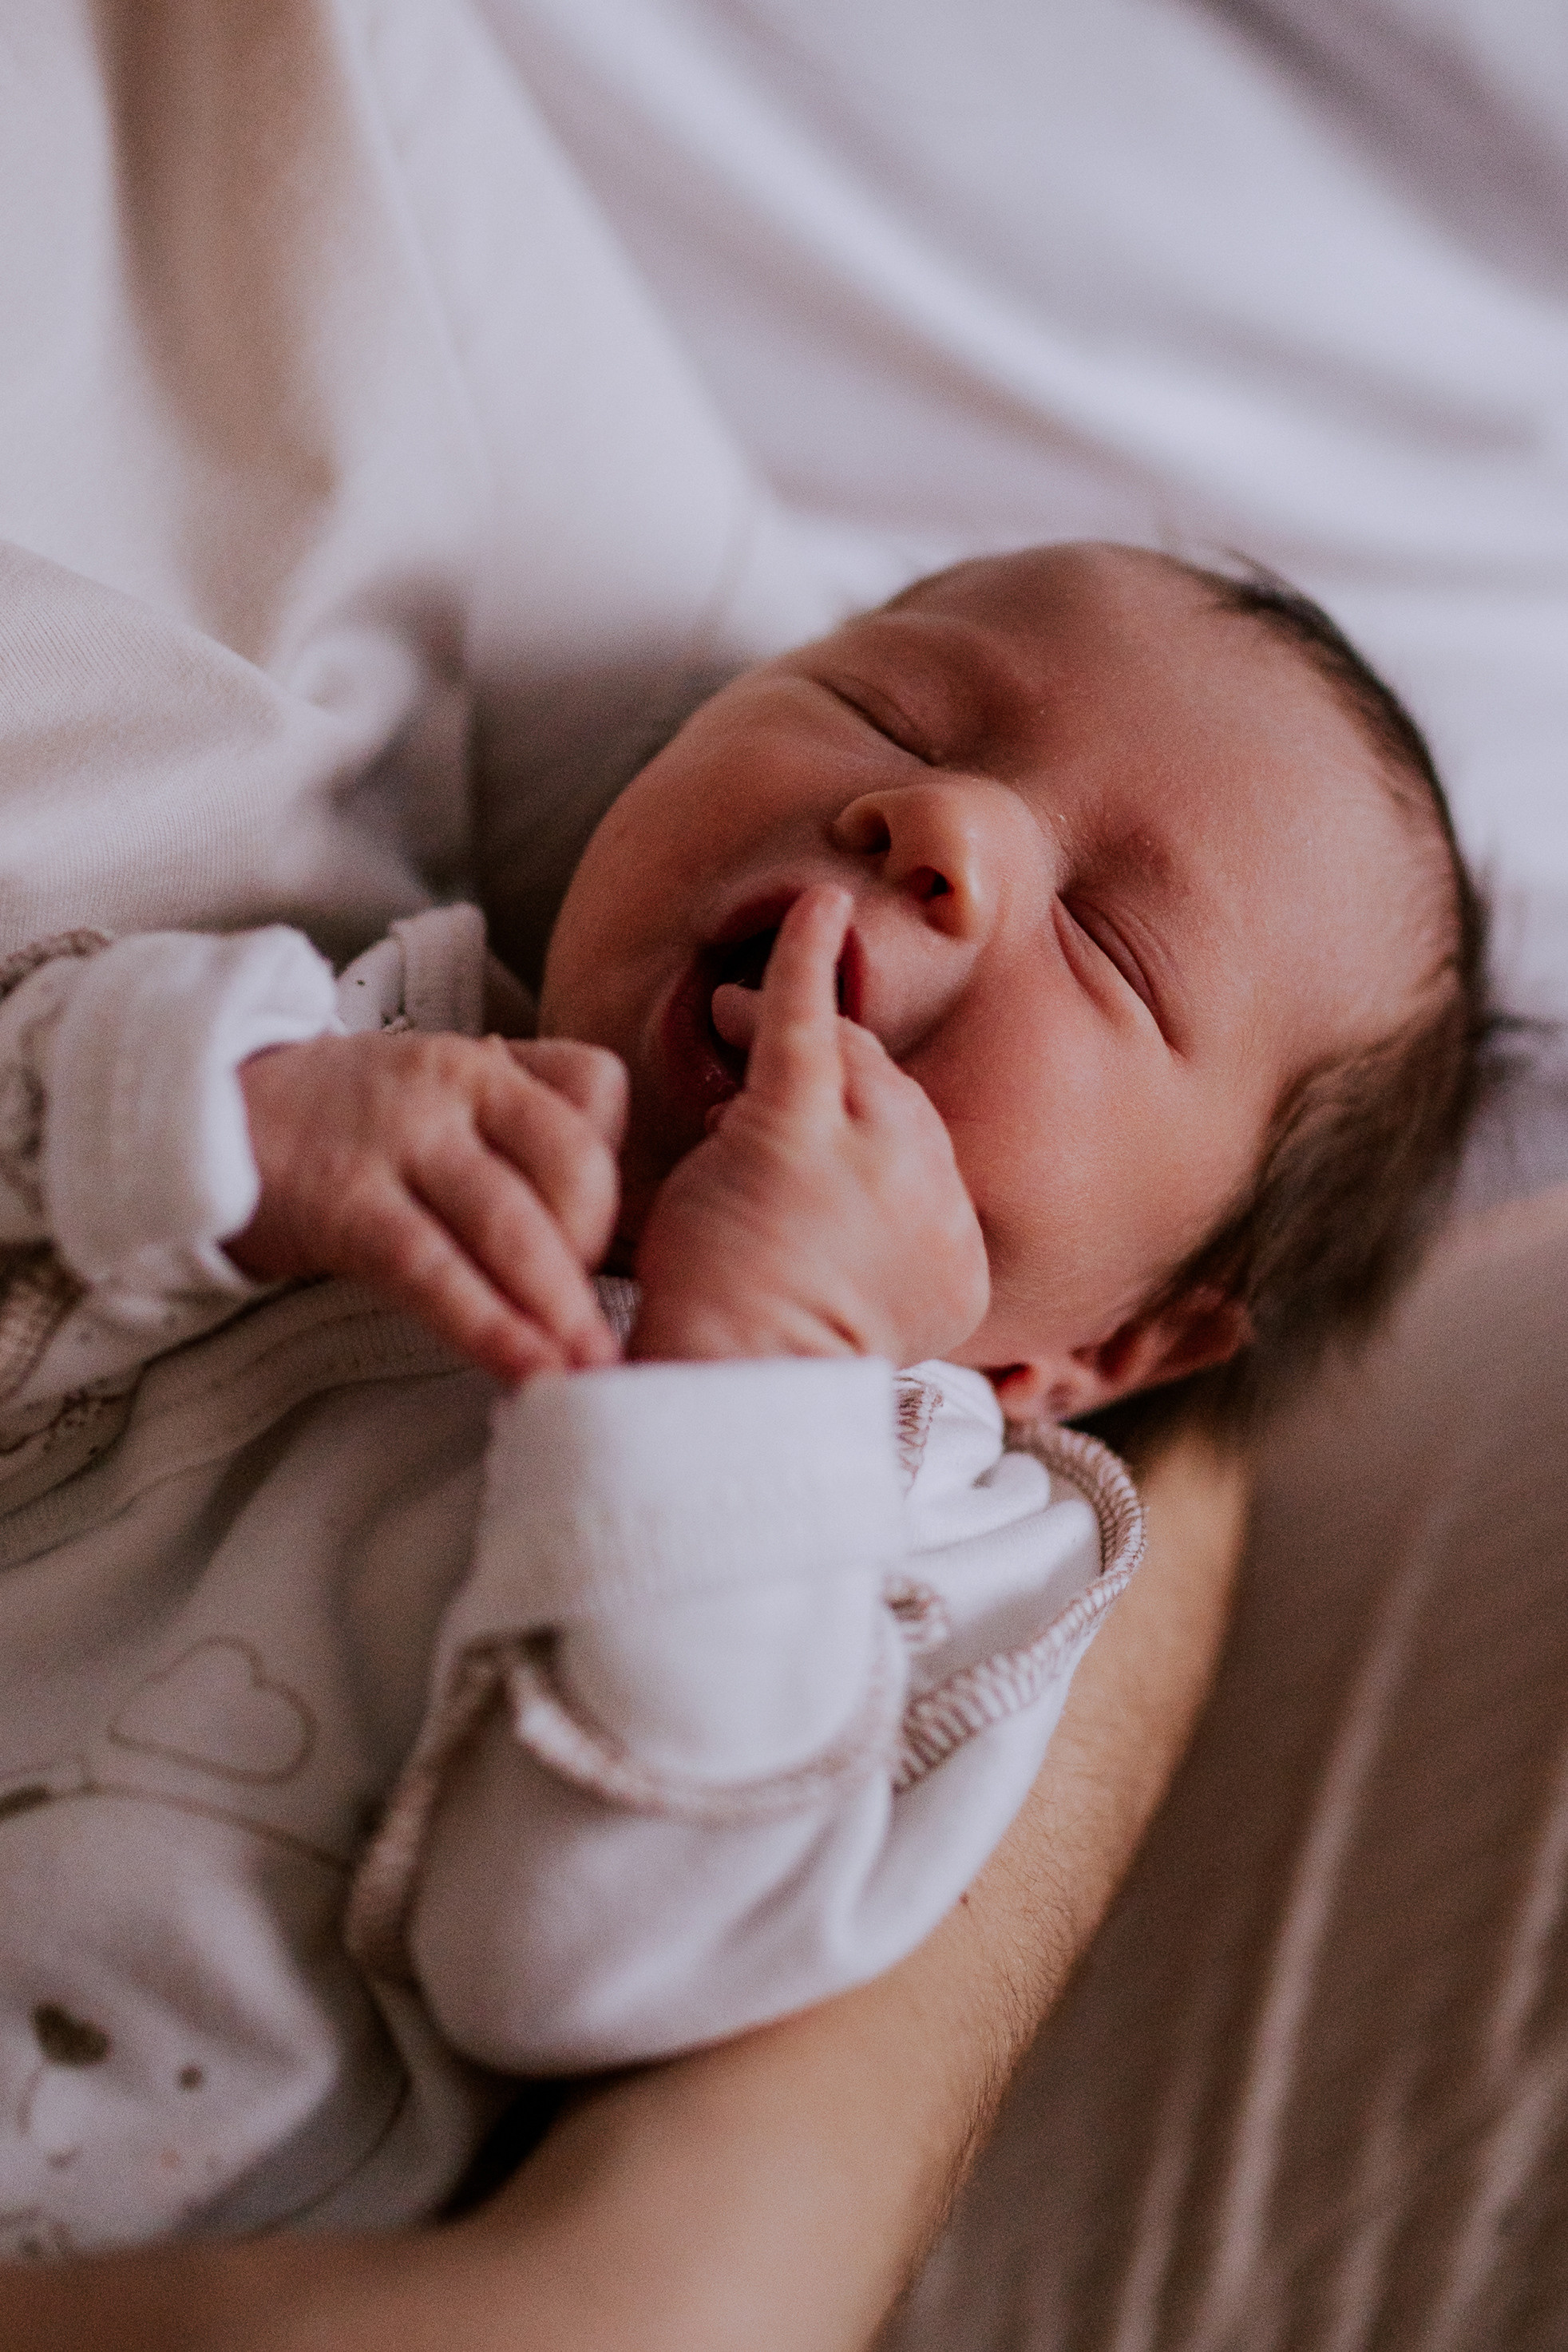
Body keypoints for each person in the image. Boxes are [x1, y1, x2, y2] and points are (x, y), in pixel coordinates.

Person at [0, 544, 1482, 2265]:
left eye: (1113, 947)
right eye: (885, 708)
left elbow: (561, 1962)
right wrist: (227, 1134)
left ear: (1110, 1349)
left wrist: (764, 1380)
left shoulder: (934, 1566)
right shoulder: (347, 1026)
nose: (943, 826)